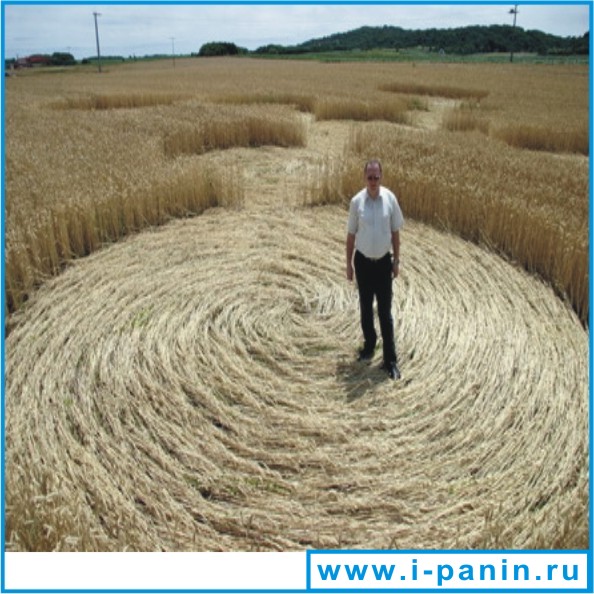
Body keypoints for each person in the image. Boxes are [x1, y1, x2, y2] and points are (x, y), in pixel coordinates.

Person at [346, 159, 404, 380]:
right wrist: (349, 264)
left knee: (385, 312)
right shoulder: (356, 202)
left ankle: (390, 360)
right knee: (365, 307)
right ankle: (369, 346)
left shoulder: (390, 199)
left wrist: (396, 261)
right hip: (362, 263)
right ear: (364, 177)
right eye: (369, 177)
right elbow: (351, 235)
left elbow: (396, 232)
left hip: (383, 264)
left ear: (381, 177)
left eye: (376, 177)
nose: (373, 181)